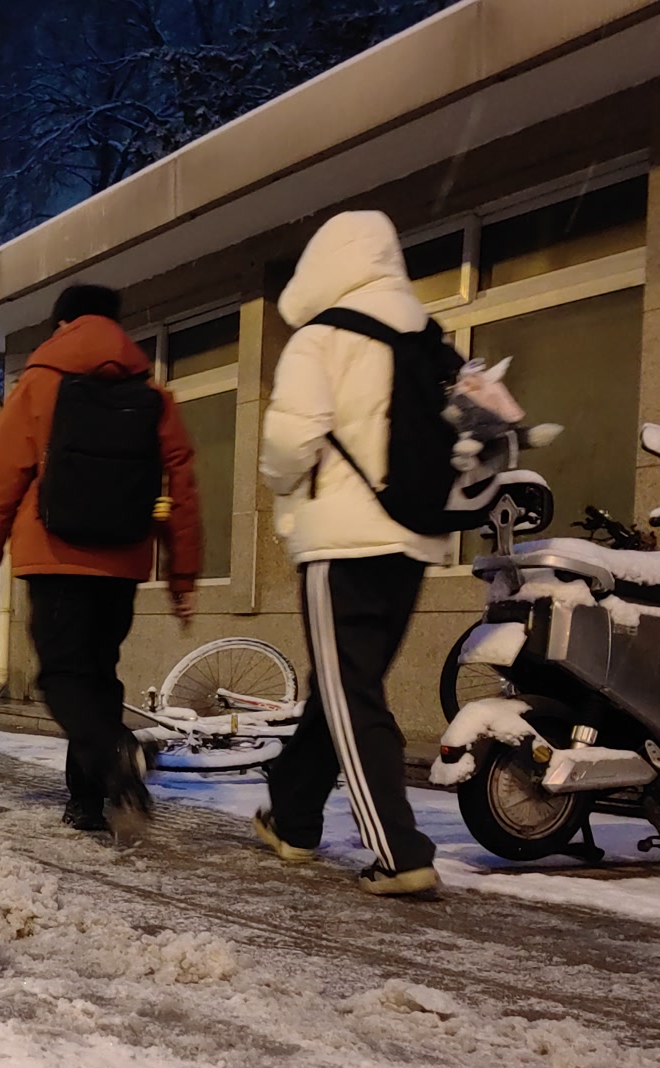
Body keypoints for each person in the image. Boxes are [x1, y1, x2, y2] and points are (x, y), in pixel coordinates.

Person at [253, 211, 447, 897]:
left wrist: (279, 480)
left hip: (342, 540)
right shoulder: (427, 338)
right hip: (413, 537)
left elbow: (290, 444)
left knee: (351, 694)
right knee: (342, 688)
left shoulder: (322, 337)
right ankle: (294, 817)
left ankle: (400, 851)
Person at [0, 282, 201, 843]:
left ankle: (117, 752)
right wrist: (182, 572)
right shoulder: (152, 395)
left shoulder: (38, 386)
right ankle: (89, 799)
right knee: (96, 676)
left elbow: (1, 476)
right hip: (122, 562)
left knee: (62, 679)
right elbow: (182, 485)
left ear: (61, 325)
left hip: (54, 557)